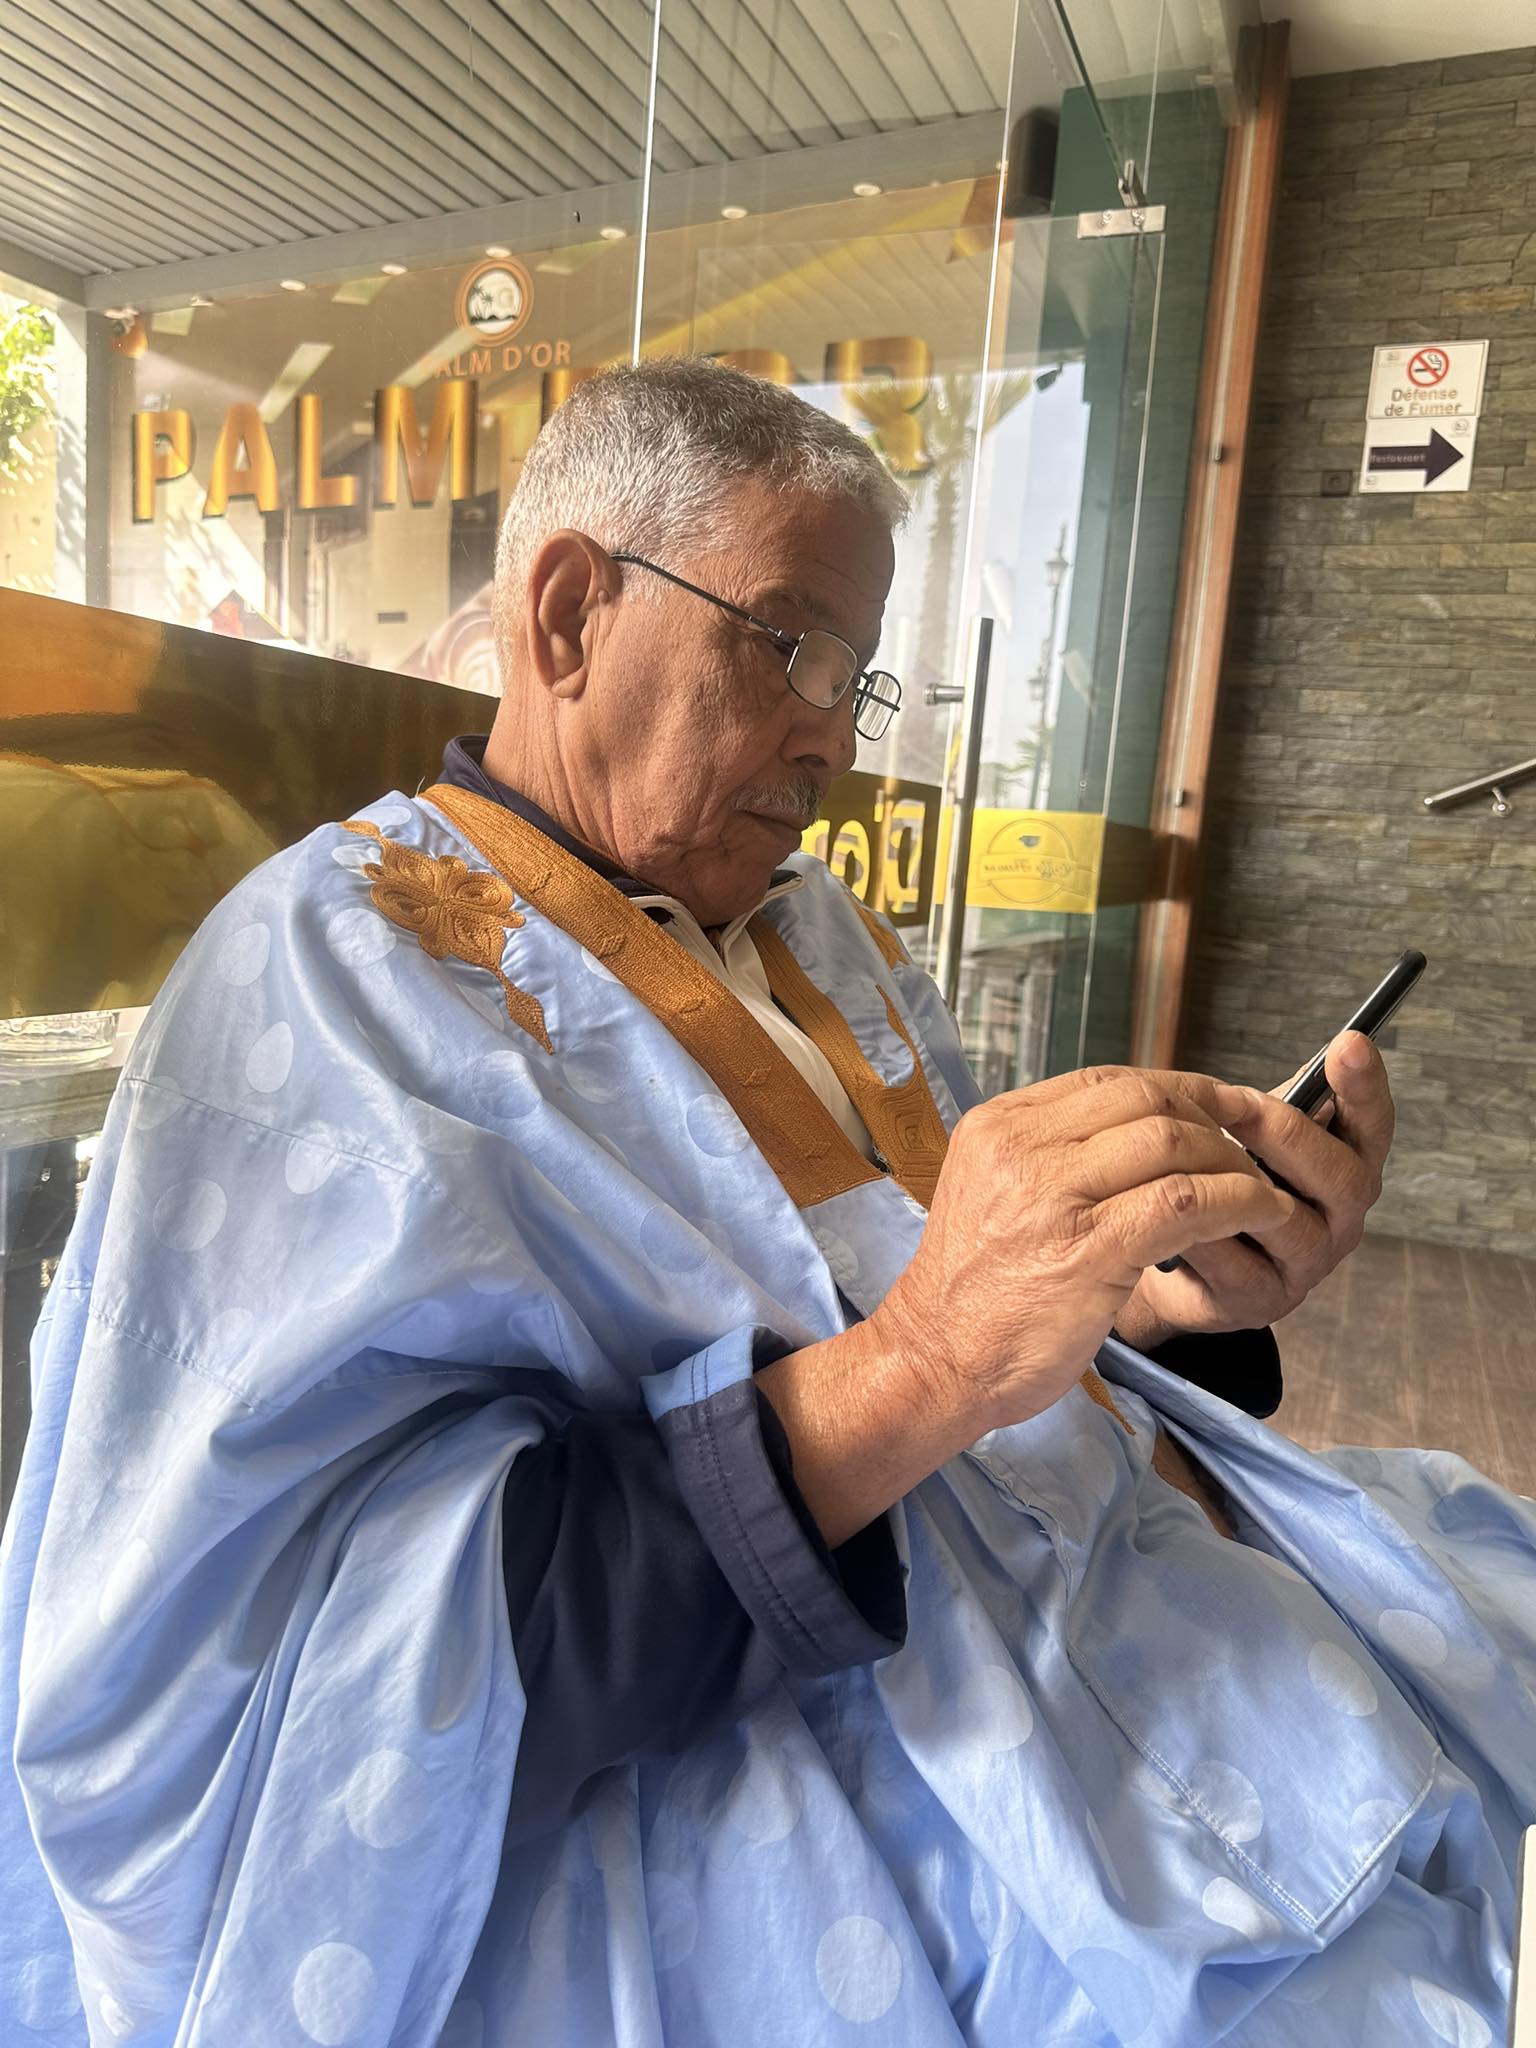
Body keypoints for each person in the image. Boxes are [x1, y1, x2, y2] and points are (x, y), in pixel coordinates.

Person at [1, 358, 1528, 2048]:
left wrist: (1172, 1299)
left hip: (1126, 1594)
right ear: (570, 616)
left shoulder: (827, 933)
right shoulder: (319, 982)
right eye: (789, 645)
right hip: (815, 1745)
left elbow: (978, 1313)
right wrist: (931, 1360)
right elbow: (337, 1671)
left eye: (855, 678)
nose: (832, 737)